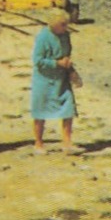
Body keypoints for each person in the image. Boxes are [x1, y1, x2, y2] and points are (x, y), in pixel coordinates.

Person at [30, 9, 81, 155]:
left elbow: (67, 54)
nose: (65, 27)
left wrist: (71, 70)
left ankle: (67, 142)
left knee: (68, 108)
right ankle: (38, 143)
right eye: (62, 25)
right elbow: (37, 61)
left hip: (61, 78)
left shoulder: (66, 36)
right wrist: (56, 63)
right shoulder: (43, 37)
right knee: (40, 111)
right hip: (44, 80)